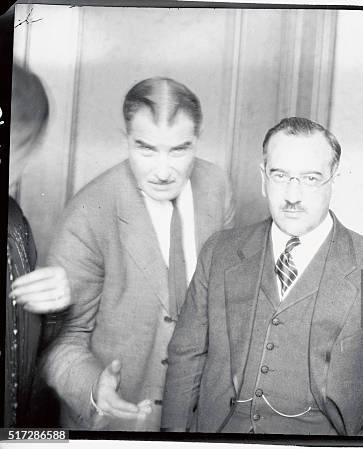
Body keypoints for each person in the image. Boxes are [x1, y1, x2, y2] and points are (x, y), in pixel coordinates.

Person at [162, 117, 363, 436]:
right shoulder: (219, 252)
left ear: (335, 180)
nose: (292, 195)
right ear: (263, 178)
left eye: (310, 178)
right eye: (280, 175)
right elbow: (186, 357)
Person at [41, 77, 235, 431]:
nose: (163, 171)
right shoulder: (88, 212)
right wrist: (93, 389)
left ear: (198, 139)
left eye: (179, 150)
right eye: (146, 149)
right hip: (120, 426)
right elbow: (60, 342)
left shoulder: (217, 188)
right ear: (126, 139)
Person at [4, 64, 71, 427]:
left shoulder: (15, 224)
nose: (21, 167)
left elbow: (23, 370)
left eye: (25, 148)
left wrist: (54, 311)